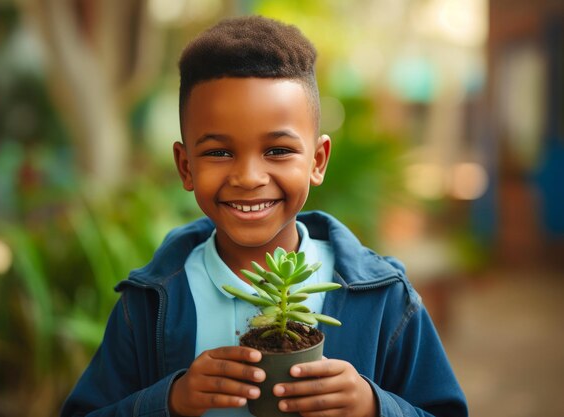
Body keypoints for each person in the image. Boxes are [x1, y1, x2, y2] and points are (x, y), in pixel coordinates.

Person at [61, 15, 468, 417]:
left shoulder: (383, 297)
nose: (249, 178)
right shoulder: (148, 303)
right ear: (185, 167)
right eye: (219, 152)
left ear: (318, 161)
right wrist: (168, 401)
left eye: (278, 151)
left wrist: (373, 406)